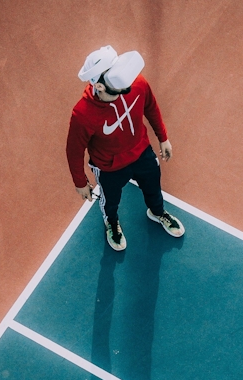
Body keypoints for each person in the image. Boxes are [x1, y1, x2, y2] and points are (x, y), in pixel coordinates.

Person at [66, 45, 184, 251]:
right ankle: (111, 223)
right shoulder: (83, 115)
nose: (124, 90)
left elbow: (151, 107)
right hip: (109, 167)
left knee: (154, 188)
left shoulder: (136, 83)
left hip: (141, 152)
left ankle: (157, 212)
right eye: (117, 87)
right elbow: (74, 151)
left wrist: (163, 138)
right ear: (100, 87)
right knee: (110, 202)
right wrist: (80, 182)